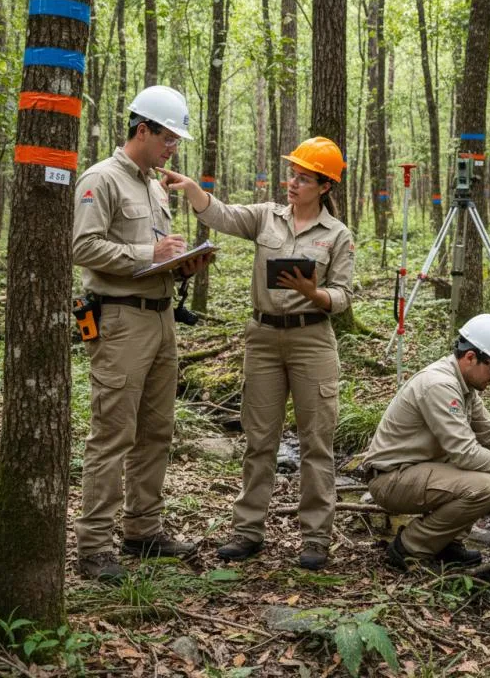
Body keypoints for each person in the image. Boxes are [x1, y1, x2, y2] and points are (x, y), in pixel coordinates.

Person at [157, 137, 354, 570]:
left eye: (304, 179)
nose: (293, 183)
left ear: (325, 186)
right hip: (262, 338)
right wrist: (192, 189)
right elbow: (223, 215)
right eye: (292, 175)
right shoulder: (267, 216)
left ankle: (315, 538)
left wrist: (313, 293)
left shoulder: (337, 234)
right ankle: (247, 531)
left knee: (316, 442)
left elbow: (343, 296)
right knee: (259, 439)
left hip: (312, 340)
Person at [72, 85, 211, 582]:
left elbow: (156, 253)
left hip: (161, 316)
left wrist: (180, 264)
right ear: (142, 130)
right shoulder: (101, 179)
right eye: (167, 137)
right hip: (120, 321)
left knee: (156, 430)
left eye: (176, 139)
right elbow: (83, 246)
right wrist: (147, 255)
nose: (172, 147)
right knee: (113, 433)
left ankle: (142, 530)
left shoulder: (155, 186)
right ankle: (94, 545)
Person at [362, 313, 490, 571]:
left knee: (487, 473)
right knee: (485, 486)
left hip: (416, 469)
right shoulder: (440, 385)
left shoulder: (463, 384)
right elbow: (466, 454)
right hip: (391, 479)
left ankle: (446, 543)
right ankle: (410, 547)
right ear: (471, 357)